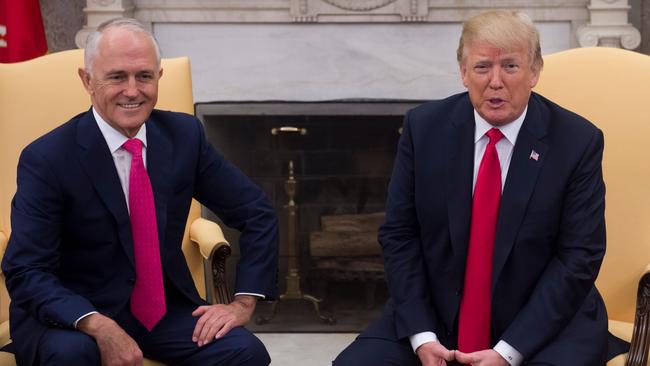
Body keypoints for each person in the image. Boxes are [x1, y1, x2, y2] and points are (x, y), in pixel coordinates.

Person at [334, 10, 629, 366]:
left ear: (534, 72)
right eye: (482, 67)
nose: (495, 81)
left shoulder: (577, 141)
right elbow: (400, 235)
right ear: (463, 73)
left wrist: (507, 352)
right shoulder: (423, 129)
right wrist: (423, 337)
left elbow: (579, 257)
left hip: (544, 323)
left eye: (510, 66)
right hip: (436, 318)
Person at [1, 17, 278, 366]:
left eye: (144, 76)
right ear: (87, 80)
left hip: (158, 311)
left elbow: (256, 211)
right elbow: (27, 270)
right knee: (75, 354)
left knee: (245, 353)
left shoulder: (184, 137)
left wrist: (242, 303)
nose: (132, 90)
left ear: (158, 77)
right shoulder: (47, 158)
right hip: (70, 313)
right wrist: (98, 325)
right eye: (117, 76)